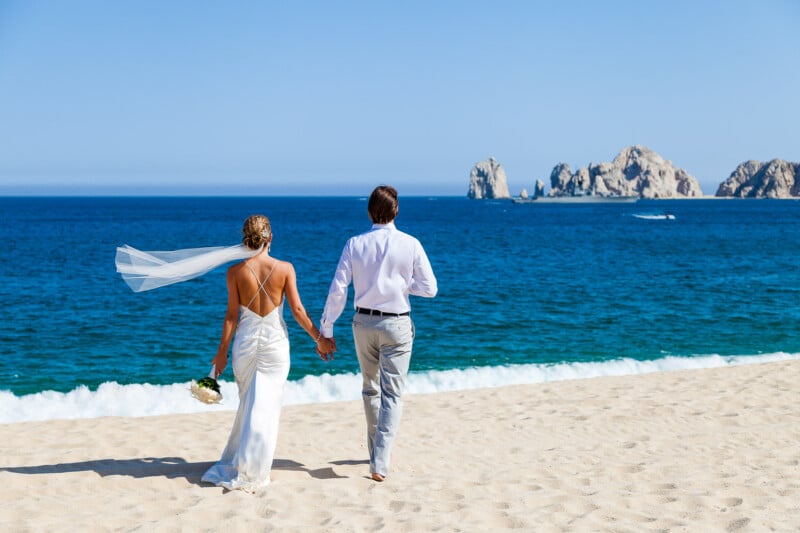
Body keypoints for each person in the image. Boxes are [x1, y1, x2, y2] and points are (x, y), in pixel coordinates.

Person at [201, 214, 335, 492]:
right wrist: (319, 339)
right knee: (266, 405)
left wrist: (221, 353)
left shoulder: (235, 273)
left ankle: (246, 461)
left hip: (245, 346)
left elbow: (230, 317)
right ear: (270, 238)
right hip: (274, 345)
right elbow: (298, 311)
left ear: (246, 239)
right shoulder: (285, 269)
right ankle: (254, 467)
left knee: (249, 403)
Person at [319, 185, 437, 482]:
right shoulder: (410, 244)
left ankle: (376, 454)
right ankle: (380, 461)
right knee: (392, 395)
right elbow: (430, 289)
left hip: (363, 323)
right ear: (396, 211)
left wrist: (326, 328)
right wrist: (402, 286)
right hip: (397, 324)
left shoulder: (354, 244)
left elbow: (338, 290)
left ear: (370, 211)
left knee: (370, 388)